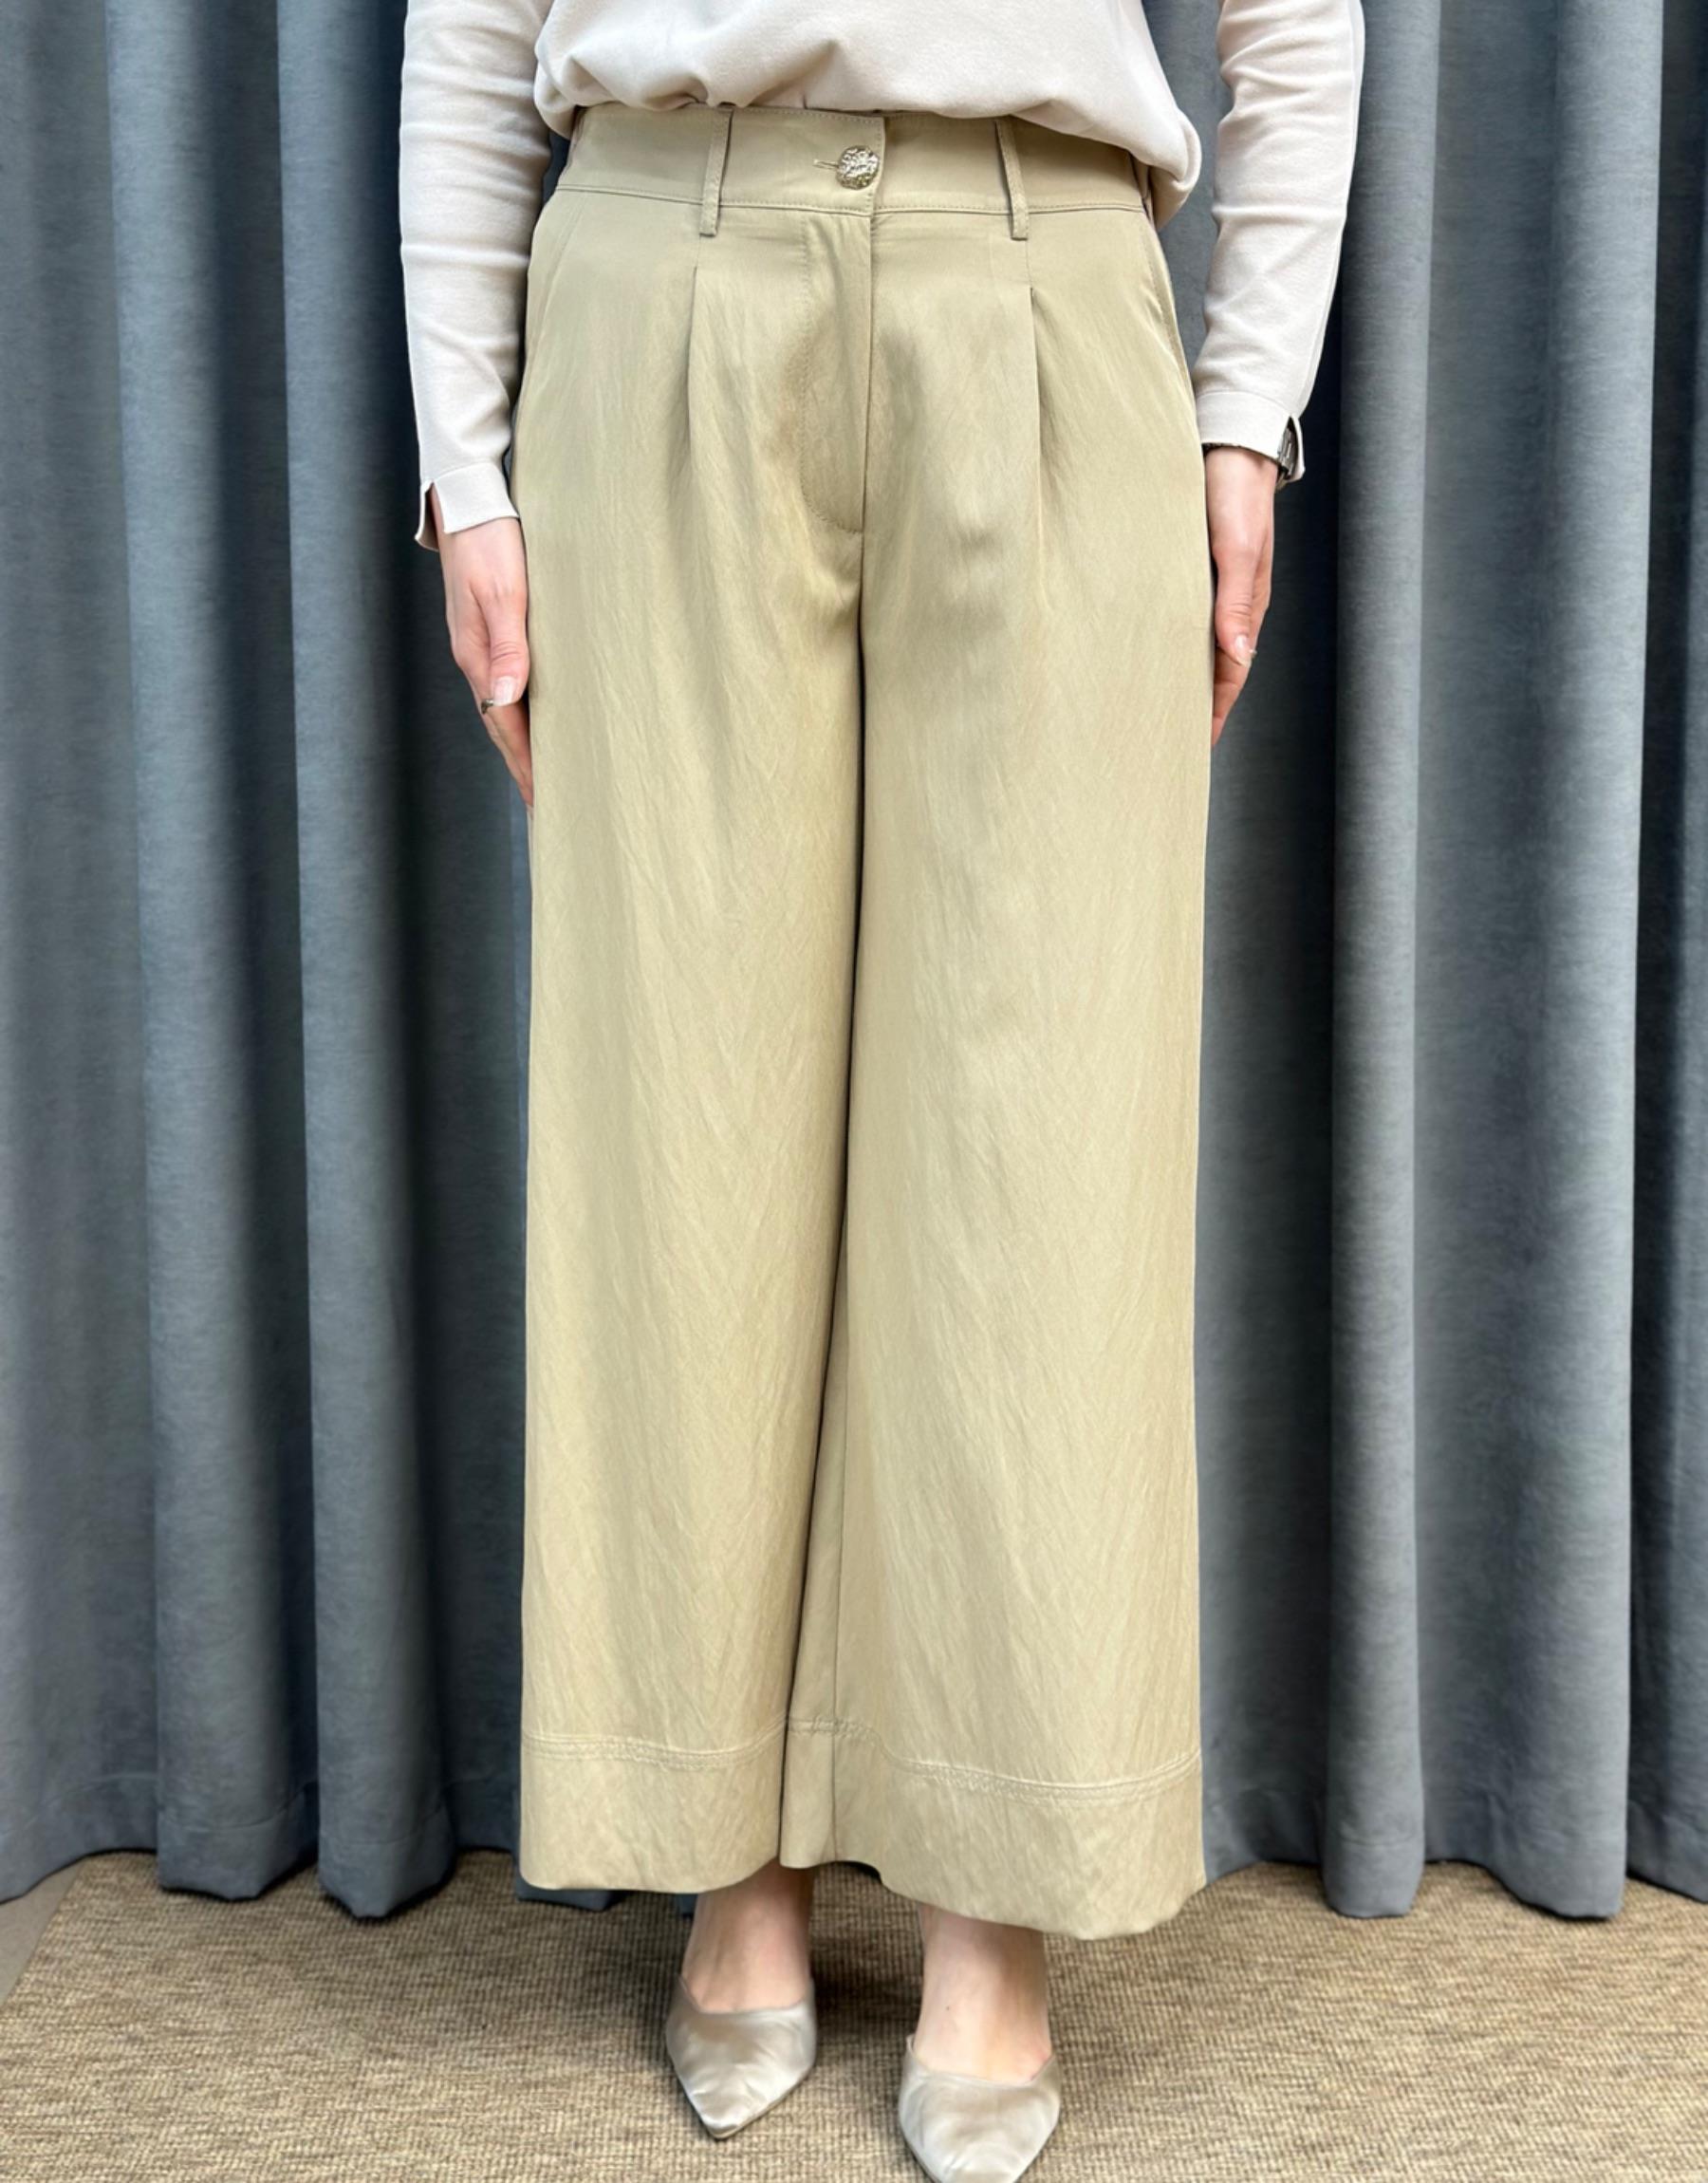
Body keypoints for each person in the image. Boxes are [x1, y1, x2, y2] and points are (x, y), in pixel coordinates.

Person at [399, 6, 1363, 2175]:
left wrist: (1244, 415)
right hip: (660, 275)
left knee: (1036, 1143)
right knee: (684, 1120)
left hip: (1043, 288)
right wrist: (467, 457)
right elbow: (469, 26)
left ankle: (992, 1894)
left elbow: (1299, 21)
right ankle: (723, 1857)